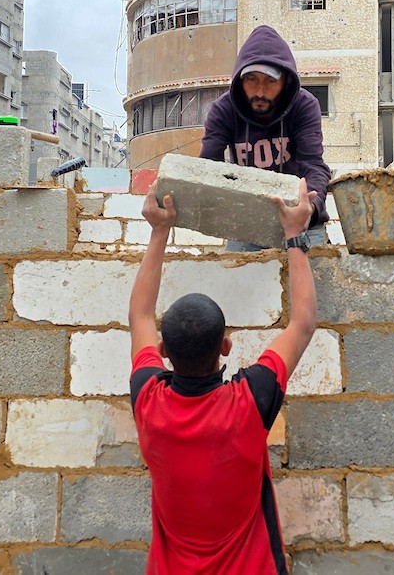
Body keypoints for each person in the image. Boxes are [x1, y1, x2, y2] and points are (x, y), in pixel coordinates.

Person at [128, 178, 319, 575]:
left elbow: (140, 316)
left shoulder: (149, 401)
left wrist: (160, 231)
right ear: (226, 347)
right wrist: (294, 235)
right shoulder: (249, 402)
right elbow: (302, 324)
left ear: (163, 353)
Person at [201, 25, 330, 250]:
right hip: (247, 225)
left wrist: (310, 207)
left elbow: (314, 165)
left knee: (315, 284)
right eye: (251, 79)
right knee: (237, 282)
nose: (260, 91)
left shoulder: (304, 105)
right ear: (240, 81)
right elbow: (208, 168)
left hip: (302, 221)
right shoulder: (224, 110)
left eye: (270, 81)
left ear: (286, 81)